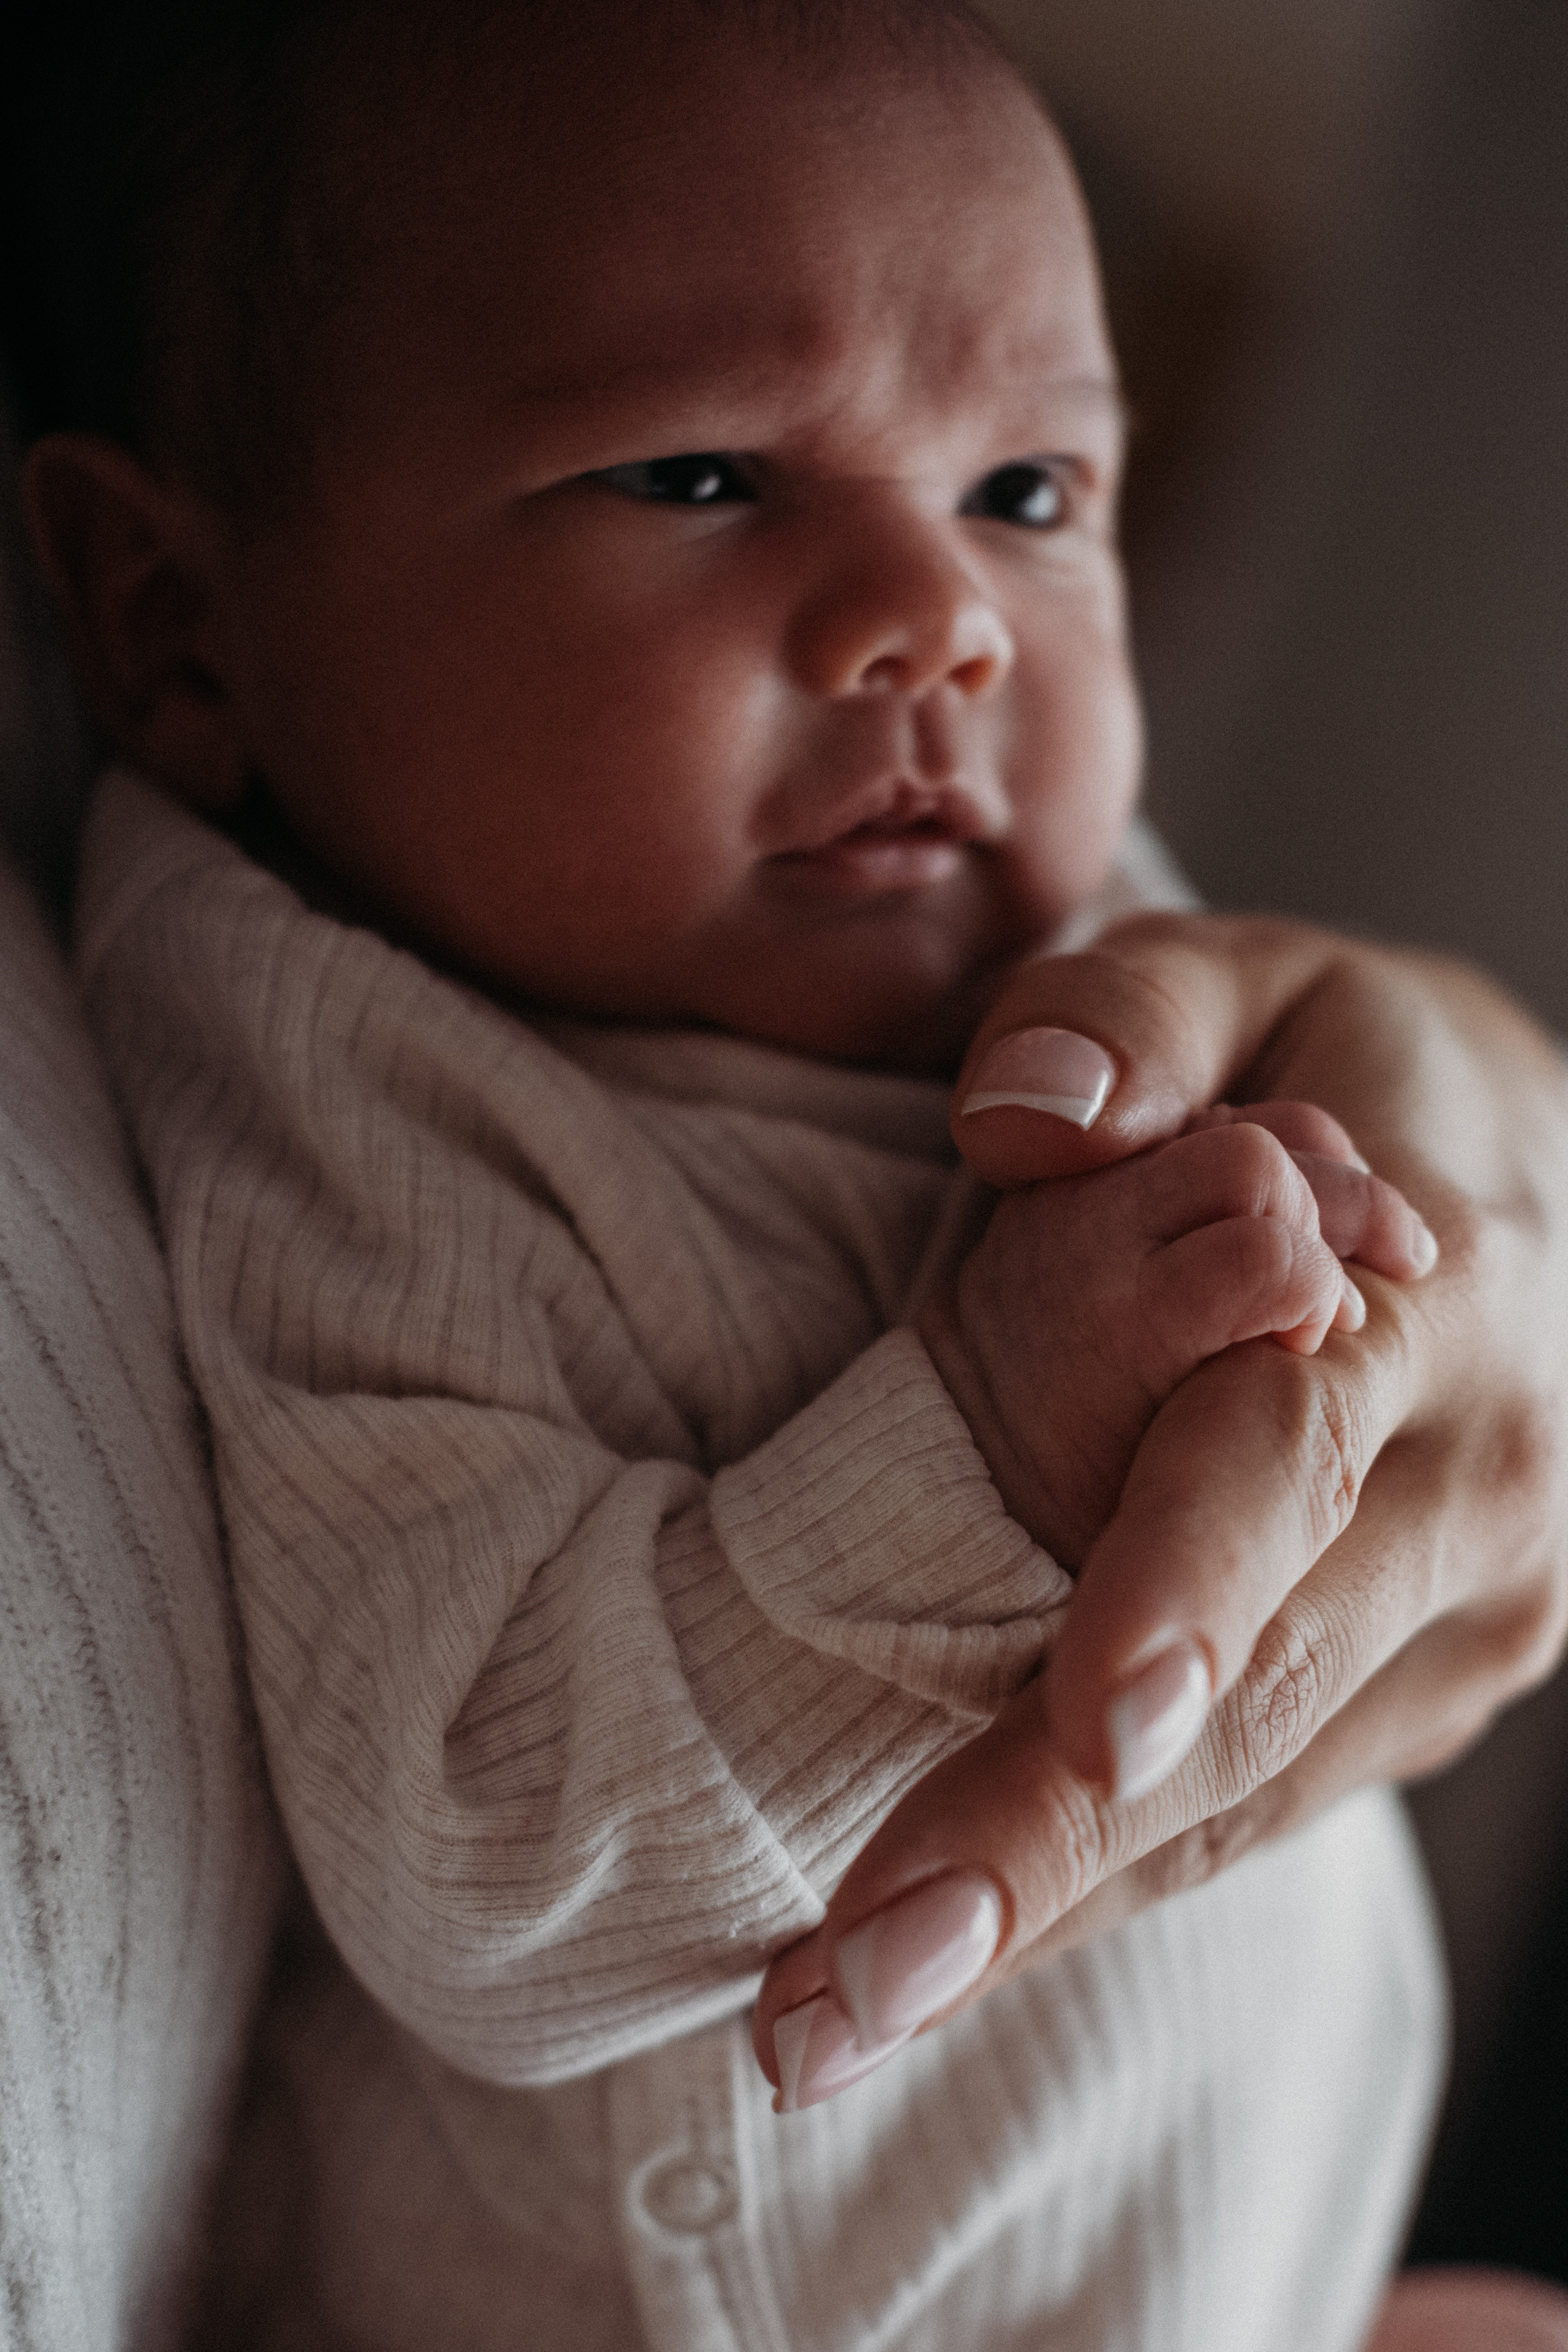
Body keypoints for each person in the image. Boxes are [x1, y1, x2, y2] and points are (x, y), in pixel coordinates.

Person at [16, 1, 1568, 2345]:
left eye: (1028, 495)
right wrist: (1003, 1440)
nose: (937, 619)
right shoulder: (370, 1090)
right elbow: (479, 1858)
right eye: (705, 478)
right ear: (173, 622)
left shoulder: (1043, 925)